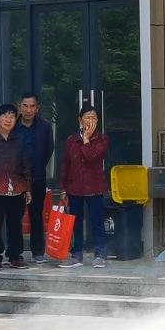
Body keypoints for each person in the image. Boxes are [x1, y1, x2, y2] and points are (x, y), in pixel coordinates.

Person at [58, 106, 109, 268]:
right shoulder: (71, 140)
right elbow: (65, 164)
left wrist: (86, 139)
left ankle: (100, 255)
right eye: (87, 117)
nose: (90, 121)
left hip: (94, 187)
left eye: (94, 118)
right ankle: (76, 255)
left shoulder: (102, 139)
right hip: (75, 187)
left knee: (97, 222)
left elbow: (91, 156)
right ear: (80, 120)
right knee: (75, 222)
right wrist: (63, 188)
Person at [15, 91, 54, 264]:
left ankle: (38, 252)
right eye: (25, 106)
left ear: (37, 108)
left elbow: (49, 149)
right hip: (16, 178)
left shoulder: (45, 126)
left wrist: (37, 167)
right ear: (19, 107)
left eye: (32, 106)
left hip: (37, 177)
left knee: (36, 214)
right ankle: (15, 253)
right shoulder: (12, 125)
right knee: (14, 215)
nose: (28, 110)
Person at [0, 104, 32, 270]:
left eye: (12, 117)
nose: (8, 120)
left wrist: (28, 188)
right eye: (5, 116)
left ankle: (15, 256)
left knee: (15, 225)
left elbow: (26, 164)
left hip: (17, 187)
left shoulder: (20, 140)